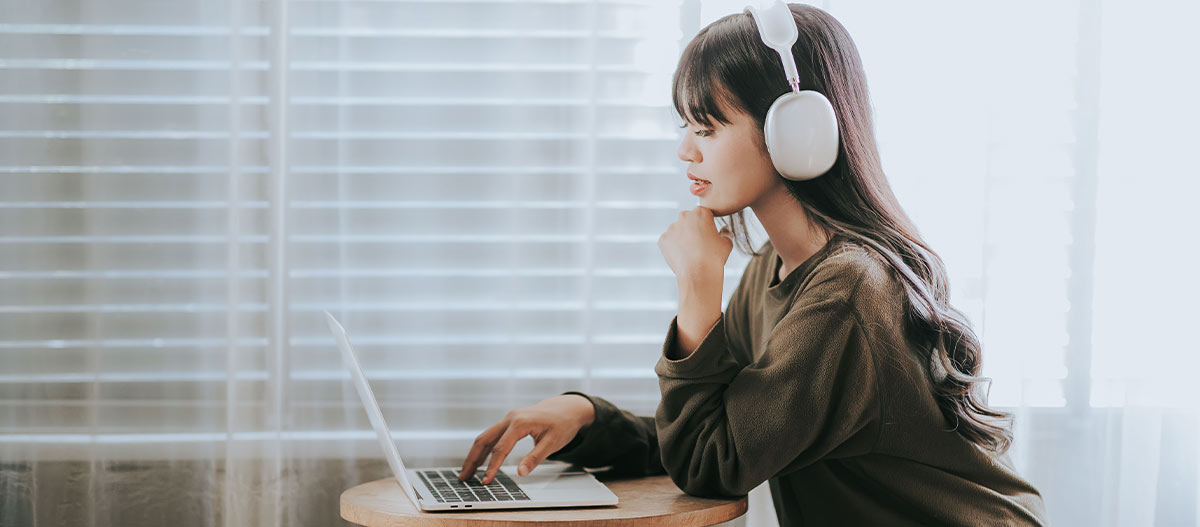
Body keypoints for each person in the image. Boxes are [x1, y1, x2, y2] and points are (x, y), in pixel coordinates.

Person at [458, 3, 1047, 525]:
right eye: (686, 126)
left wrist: (696, 287)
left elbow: (713, 463)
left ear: (796, 130)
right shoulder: (776, 267)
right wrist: (588, 416)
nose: (686, 149)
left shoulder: (847, 291)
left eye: (707, 127)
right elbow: (714, 433)